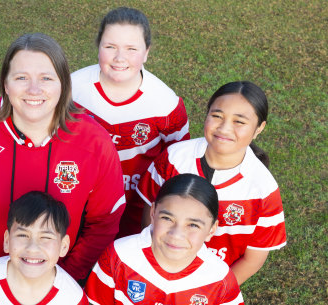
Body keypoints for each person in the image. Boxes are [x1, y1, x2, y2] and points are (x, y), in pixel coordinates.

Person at [0, 33, 125, 286]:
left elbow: (104, 222)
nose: (34, 90)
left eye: (46, 78)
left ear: (63, 85)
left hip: (63, 282)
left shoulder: (95, 142)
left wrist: (64, 279)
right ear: (5, 84)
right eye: (21, 78)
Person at [136, 81, 287, 285]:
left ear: (259, 128)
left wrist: (214, 291)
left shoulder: (263, 189)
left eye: (239, 122)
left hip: (212, 282)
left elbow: (254, 258)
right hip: (157, 268)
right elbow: (150, 212)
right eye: (217, 116)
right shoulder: (175, 158)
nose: (224, 128)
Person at [71, 7, 189, 238]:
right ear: (98, 47)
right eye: (110, 47)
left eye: (131, 49)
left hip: (136, 210)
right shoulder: (70, 90)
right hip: (79, 202)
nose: (119, 58)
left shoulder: (166, 104)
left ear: (146, 52)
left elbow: (176, 162)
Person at [86, 174, 244, 304]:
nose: (176, 234)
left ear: (212, 230)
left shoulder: (219, 278)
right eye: (167, 219)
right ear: (153, 213)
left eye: (193, 225)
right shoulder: (120, 256)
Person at [0, 191, 88, 304]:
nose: (32, 248)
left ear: (63, 246)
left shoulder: (73, 299)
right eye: (23, 235)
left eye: (46, 237)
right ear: (7, 241)